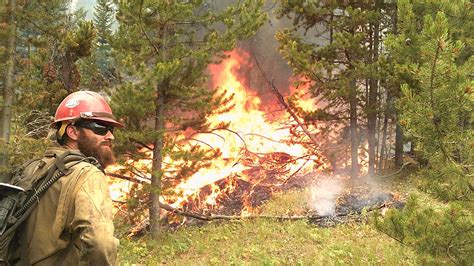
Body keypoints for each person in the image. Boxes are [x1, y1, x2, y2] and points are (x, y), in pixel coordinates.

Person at [18, 91, 122, 265]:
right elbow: (100, 244)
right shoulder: (87, 175)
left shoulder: (32, 168)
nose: (110, 136)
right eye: (100, 128)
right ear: (73, 132)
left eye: (110, 129)